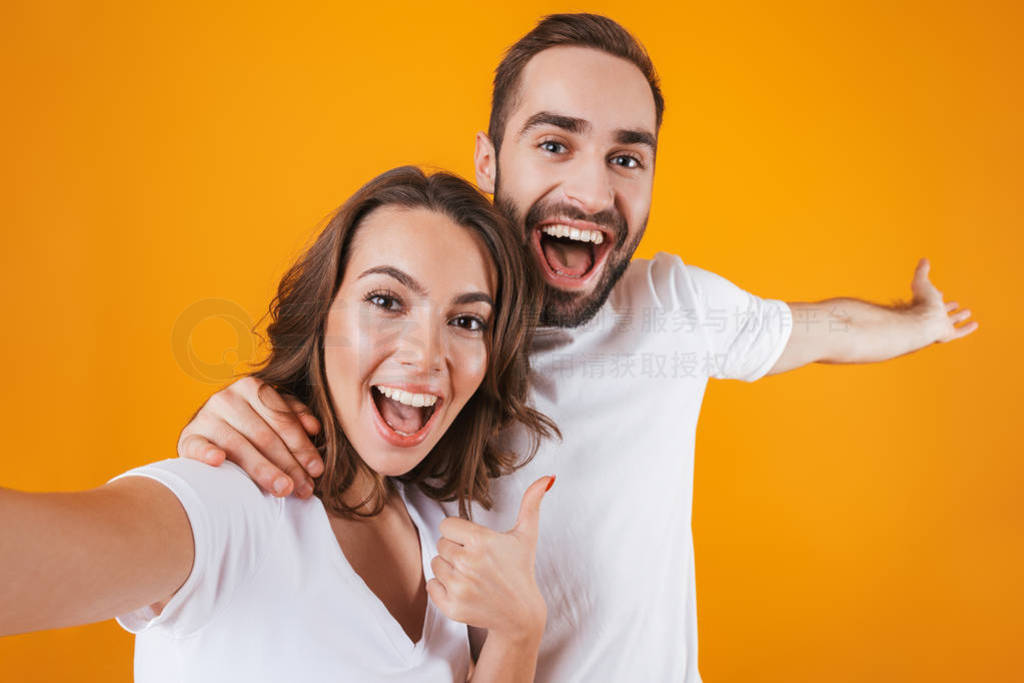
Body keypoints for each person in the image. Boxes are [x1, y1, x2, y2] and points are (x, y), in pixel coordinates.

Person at [177, 14, 979, 682]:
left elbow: (815, 332)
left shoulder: (672, 308)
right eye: (555, 144)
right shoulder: (421, 360)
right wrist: (234, 427)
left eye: (626, 157)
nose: (594, 193)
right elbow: (308, 444)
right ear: (489, 160)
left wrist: (919, 323)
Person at [0, 166, 560, 682]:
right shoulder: (227, 503)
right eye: (387, 301)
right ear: (321, 317)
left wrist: (517, 634)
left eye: (466, 320)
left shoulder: (436, 525)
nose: (426, 355)